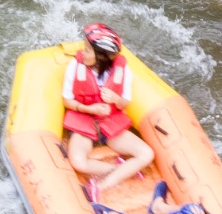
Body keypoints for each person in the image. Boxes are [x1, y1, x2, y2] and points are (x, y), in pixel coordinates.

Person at [62, 23, 155, 197]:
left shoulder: (122, 70)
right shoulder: (75, 66)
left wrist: (115, 99)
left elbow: (125, 103)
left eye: (88, 50)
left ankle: (100, 187)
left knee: (146, 153)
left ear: (101, 57)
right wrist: (88, 108)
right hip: (83, 121)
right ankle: (119, 169)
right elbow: (67, 99)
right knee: (78, 162)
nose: (83, 52)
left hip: (109, 123)